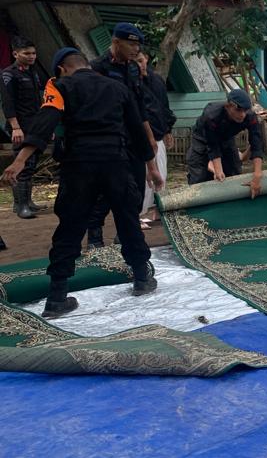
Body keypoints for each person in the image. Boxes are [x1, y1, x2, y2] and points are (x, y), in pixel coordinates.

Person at [1, 48, 162, 318]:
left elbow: (45, 121)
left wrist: (20, 161)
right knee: (127, 219)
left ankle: (57, 296)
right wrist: (152, 167)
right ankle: (141, 278)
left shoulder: (60, 86)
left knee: (70, 226)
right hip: (116, 163)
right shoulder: (118, 87)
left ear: (62, 69)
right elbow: (137, 129)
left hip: (79, 165)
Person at [86, 22, 157, 249]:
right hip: (108, 138)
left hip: (133, 136)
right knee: (106, 189)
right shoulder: (98, 67)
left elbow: (139, 105)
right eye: (131, 43)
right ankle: (95, 234)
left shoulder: (134, 68)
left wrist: (149, 136)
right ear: (116, 42)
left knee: (135, 187)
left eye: (138, 45)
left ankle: (126, 232)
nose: (136, 49)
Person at [185, 88, 264, 197]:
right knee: (200, 176)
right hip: (202, 138)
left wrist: (257, 174)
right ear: (228, 106)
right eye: (238, 110)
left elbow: (256, 143)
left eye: (245, 110)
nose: (242, 115)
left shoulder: (250, 116)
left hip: (226, 138)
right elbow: (212, 145)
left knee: (234, 171)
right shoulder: (211, 115)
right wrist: (218, 170)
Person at [1, 36, 47, 218]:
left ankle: (26, 201)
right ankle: (20, 206)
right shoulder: (8, 74)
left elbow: (39, 101)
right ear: (15, 53)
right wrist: (15, 127)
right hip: (19, 126)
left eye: (33, 53)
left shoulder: (33, 73)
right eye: (26, 53)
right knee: (22, 165)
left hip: (34, 124)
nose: (31, 56)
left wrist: (45, 126)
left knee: (32, 164)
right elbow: (7, 103)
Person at [137, 51, 176, 221]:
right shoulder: (131, 83)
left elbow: (164, 106)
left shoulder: (157, 80)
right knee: (143, 178)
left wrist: (168, 129)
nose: (140, 65)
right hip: (139, 137)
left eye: (141, 60)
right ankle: (139, 213)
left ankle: (157, 210)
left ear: (146, 58)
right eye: (136, 62)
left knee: (162, 174)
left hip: (159, 134)